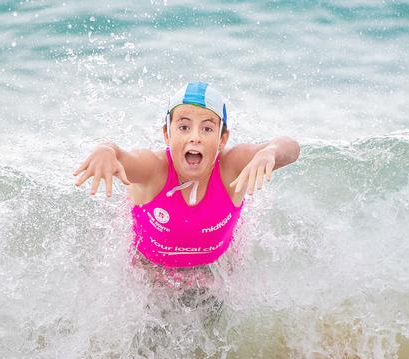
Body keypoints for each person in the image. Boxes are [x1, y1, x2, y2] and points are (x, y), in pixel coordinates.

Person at [73, 82, 300, 271]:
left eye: (207, 129)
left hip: (211, 272)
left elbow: (290, 148)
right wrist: (106, 150)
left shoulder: (230, 166)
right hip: (149, 273)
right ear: (167, 134)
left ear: (222, 140)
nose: (195, 137)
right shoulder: (154, 169)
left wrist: (270, 152)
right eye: (183, 127)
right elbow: (122, 157)